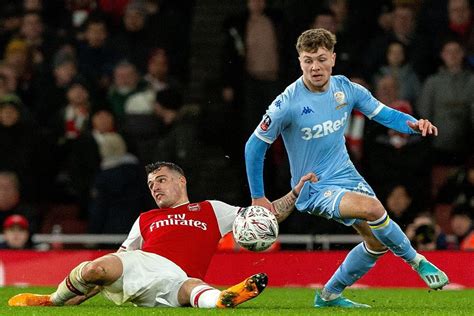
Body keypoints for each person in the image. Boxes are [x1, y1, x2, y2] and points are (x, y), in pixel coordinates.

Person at [244, 28, 449, 308]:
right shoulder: (286, 103)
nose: (314, 67)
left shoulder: (346, 89)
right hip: (314, 187)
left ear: (333, 58)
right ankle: (418, 261)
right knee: (374, 209)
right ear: (299, 62)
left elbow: (382, 113)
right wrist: (258, 196)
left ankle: (328, 296)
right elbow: (253, 146)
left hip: (347, 177)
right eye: (307, 60)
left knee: (376, 243)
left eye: (320, 58)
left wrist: (412, 124)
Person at [9, 161, 316, 308]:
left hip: (177, 277)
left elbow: (263, 216)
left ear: (181, 181)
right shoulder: (146, 218)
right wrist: (83, 294)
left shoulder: (211, 209)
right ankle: (54, 300)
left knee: (190, 289)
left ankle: (225, 298)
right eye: (151, 184)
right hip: (141, 264)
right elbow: (121, 259)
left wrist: (294, 194)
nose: (155, 186)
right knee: (96, 268)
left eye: (161, 180)